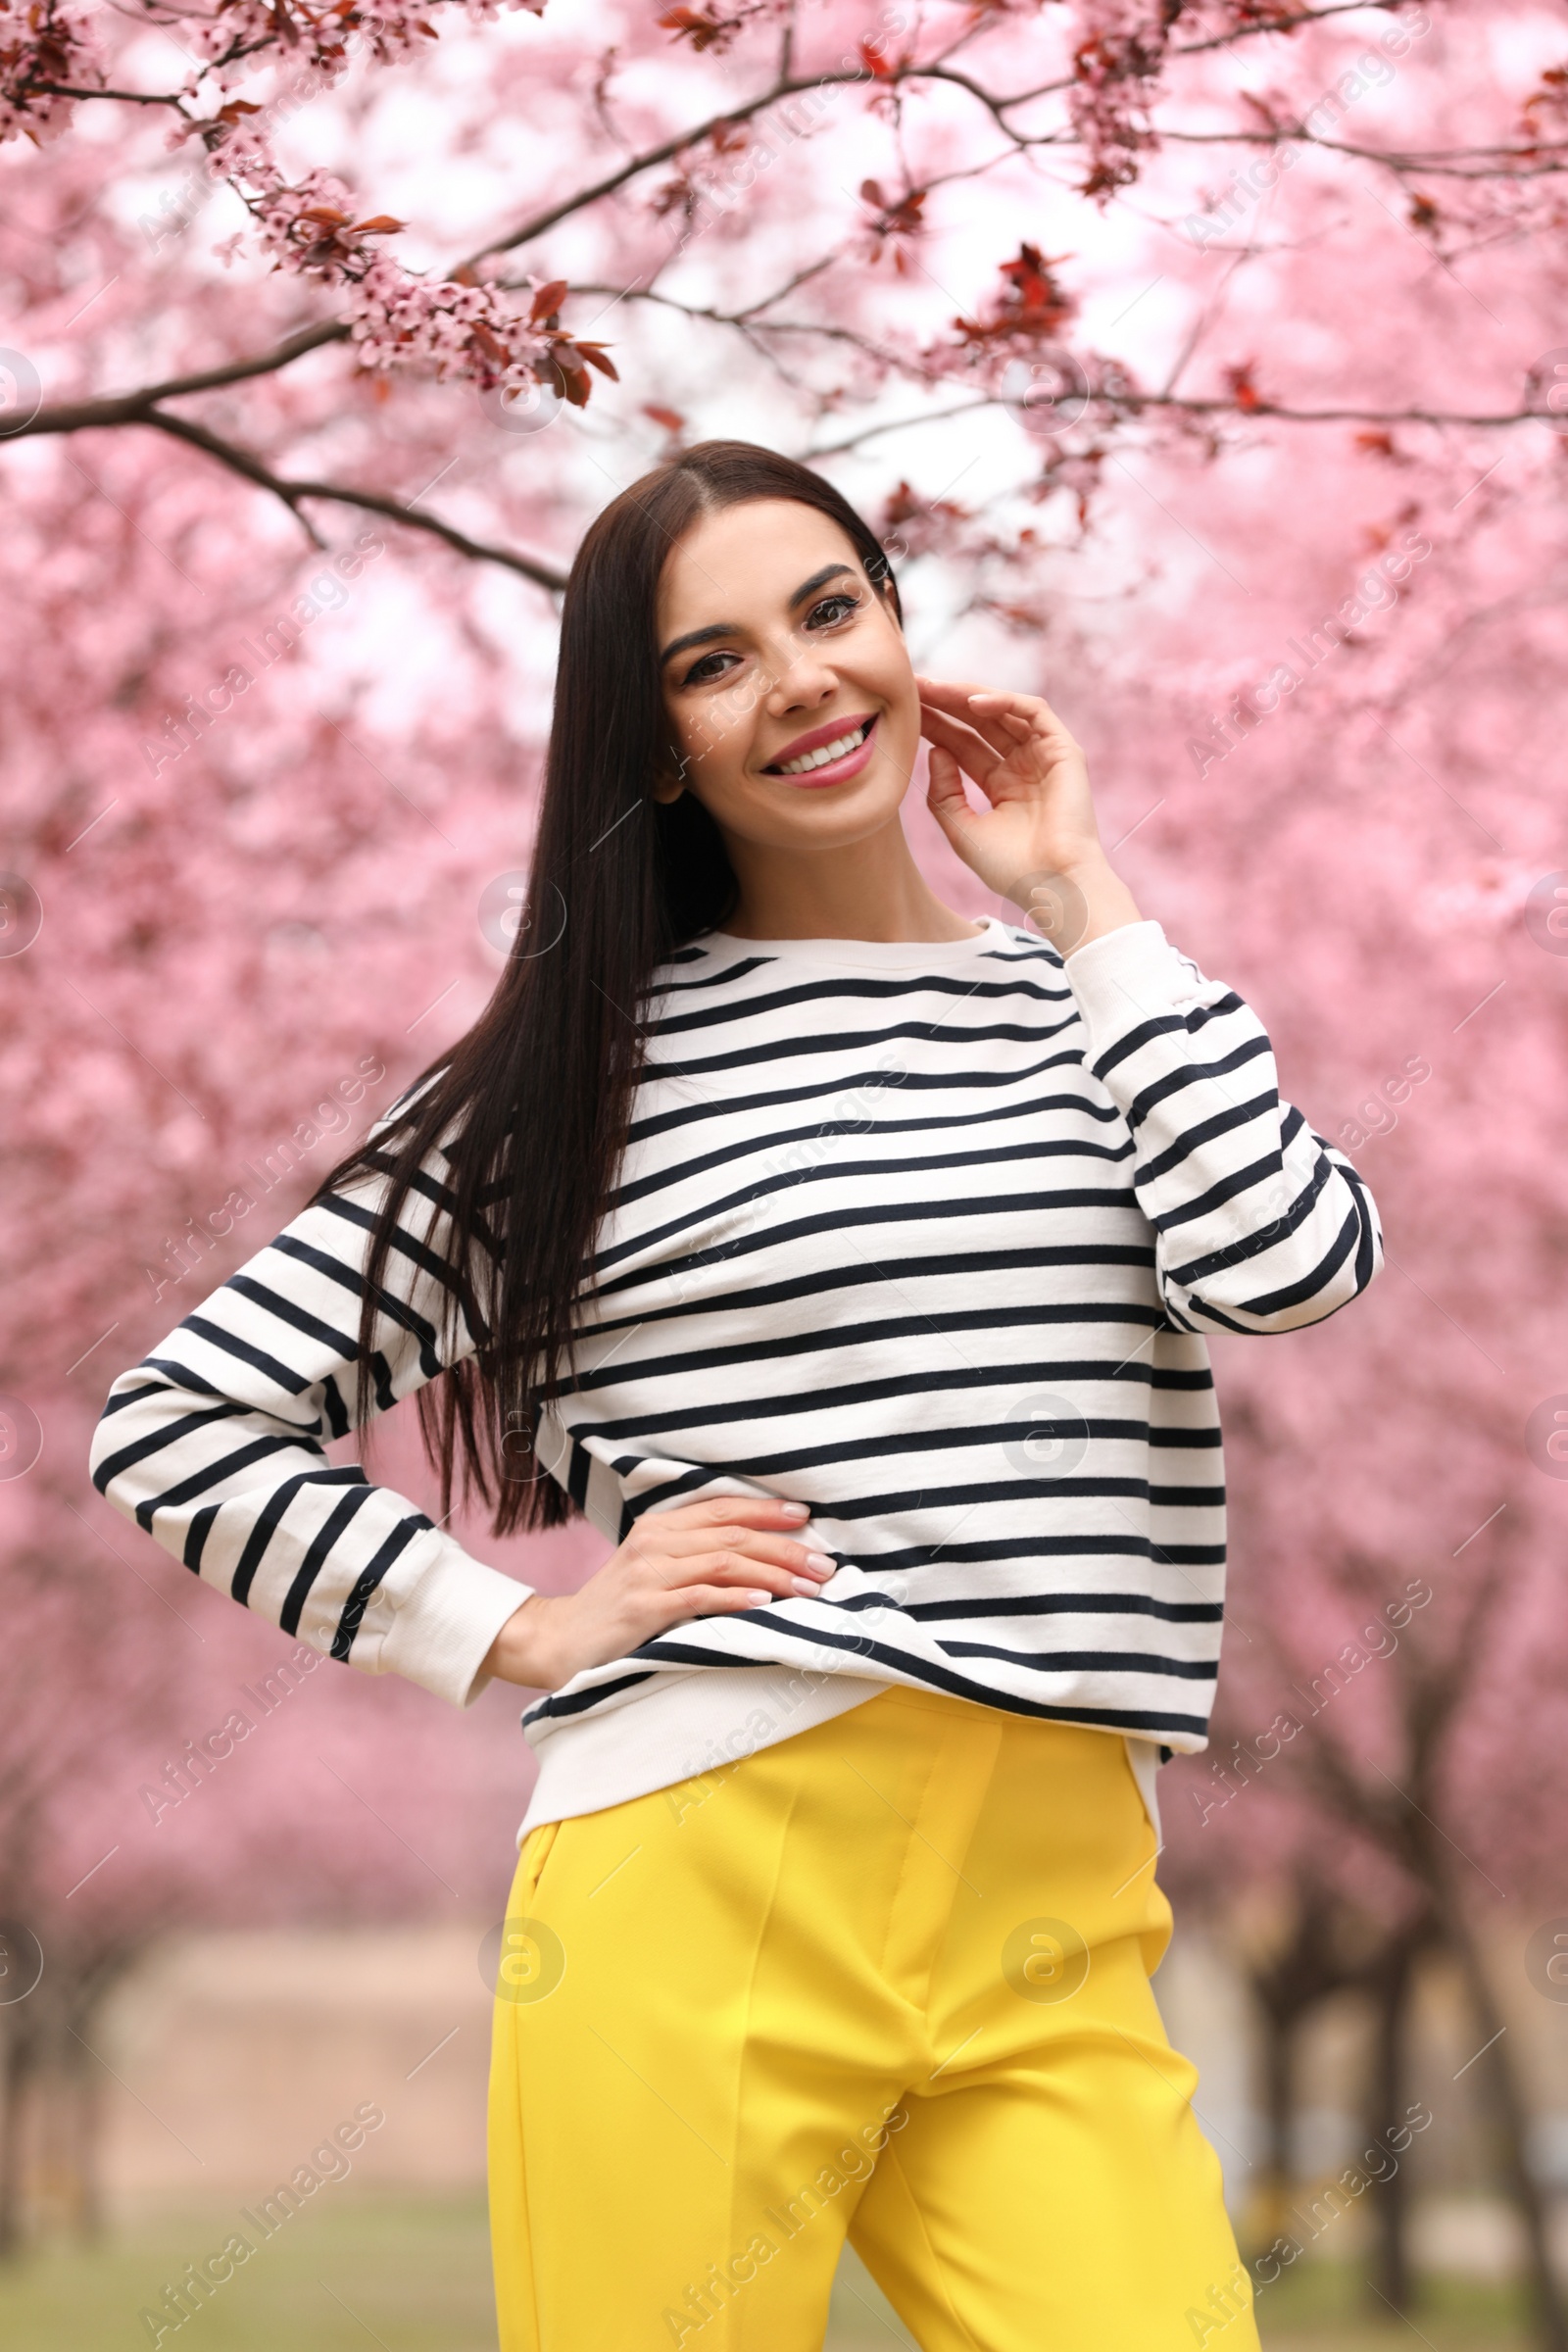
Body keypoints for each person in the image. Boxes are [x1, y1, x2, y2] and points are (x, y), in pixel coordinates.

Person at [90, 440, 1381, 2351]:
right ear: (652, 739)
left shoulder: (1087, 1009)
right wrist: (520, 1626)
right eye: (710, 662)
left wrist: (1082, 890)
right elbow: (177, 1428)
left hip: (1059, 1911)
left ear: (894, 627)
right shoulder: (575, 1083)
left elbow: (1283, 1269)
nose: (794, 682)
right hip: (705, 1874)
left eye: (827, 610)